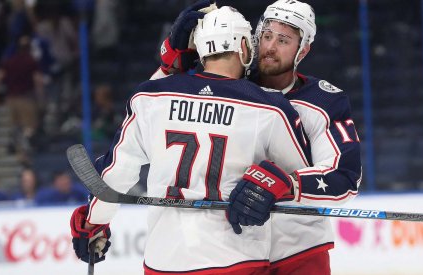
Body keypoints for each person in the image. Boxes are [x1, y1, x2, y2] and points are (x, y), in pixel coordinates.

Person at [70, 5, 311, 275]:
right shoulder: (270, 108)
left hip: (164, 262)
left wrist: (93, 224)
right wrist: (278, 183)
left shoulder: (149, 98)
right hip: (236, 260)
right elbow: (303, 181)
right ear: (244, 47)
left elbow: (115, 176)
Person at [154, 1, 362, 274]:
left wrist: (287, 184)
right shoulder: (226, 81)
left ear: (304, 49)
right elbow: (151, 108)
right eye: (266, 36)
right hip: (236, 252)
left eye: (284, 40)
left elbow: (344, 178)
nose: (270, 47)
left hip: (298, 251)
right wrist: (171, 62)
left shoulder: (324, 101)